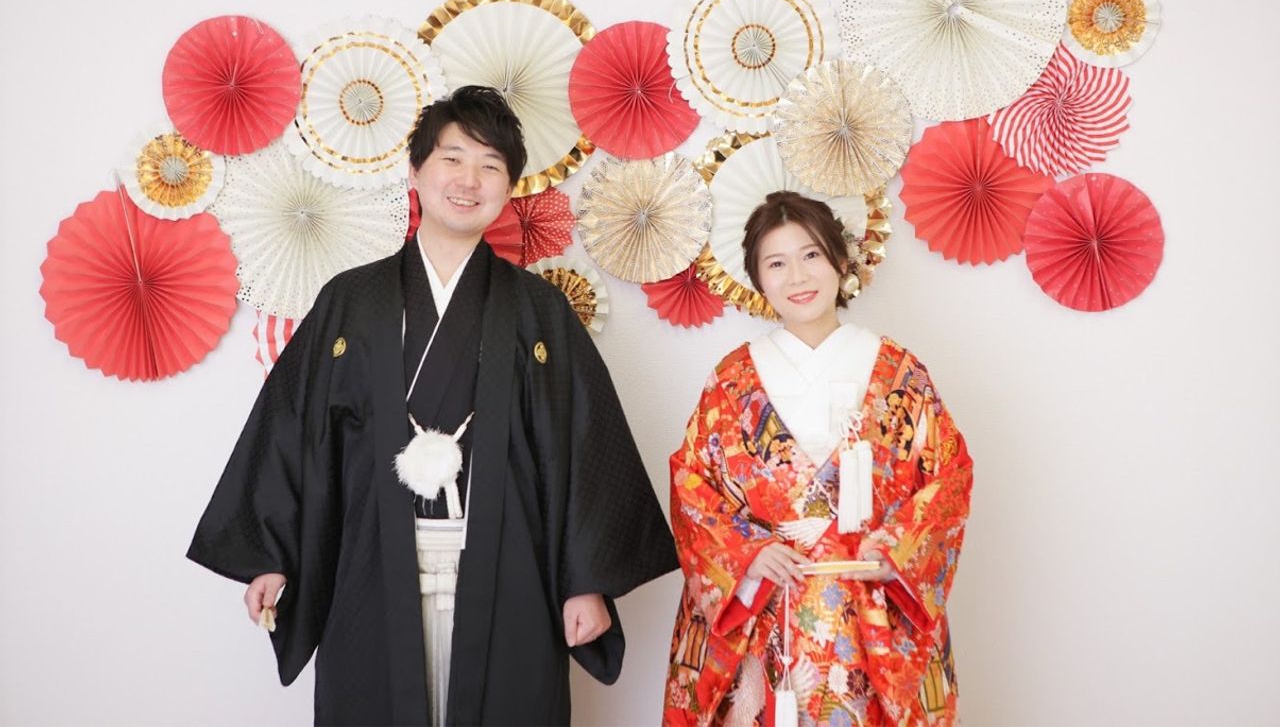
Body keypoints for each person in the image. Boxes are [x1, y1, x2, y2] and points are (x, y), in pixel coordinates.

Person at [189, 85, 678, 726]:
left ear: (509, 186)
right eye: (452, 159)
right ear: (416, 170)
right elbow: (294, 429)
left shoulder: (539, 310)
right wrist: (272, 556)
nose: (469, 180)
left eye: (490, 165)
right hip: (370, 561)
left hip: (510, 565)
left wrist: (585, 579)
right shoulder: (350, 300)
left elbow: (584, 443)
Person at [663, 191, 972, 726]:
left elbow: (948, 478)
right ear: (758, 280)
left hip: (870, 608)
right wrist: (747, 554)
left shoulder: (899, 372)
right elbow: (692, 486)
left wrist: (898, 551)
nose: (798, 277)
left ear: (840, 260)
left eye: (811, 255)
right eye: (776, 263)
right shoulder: (732, 380)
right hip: (769, 607)